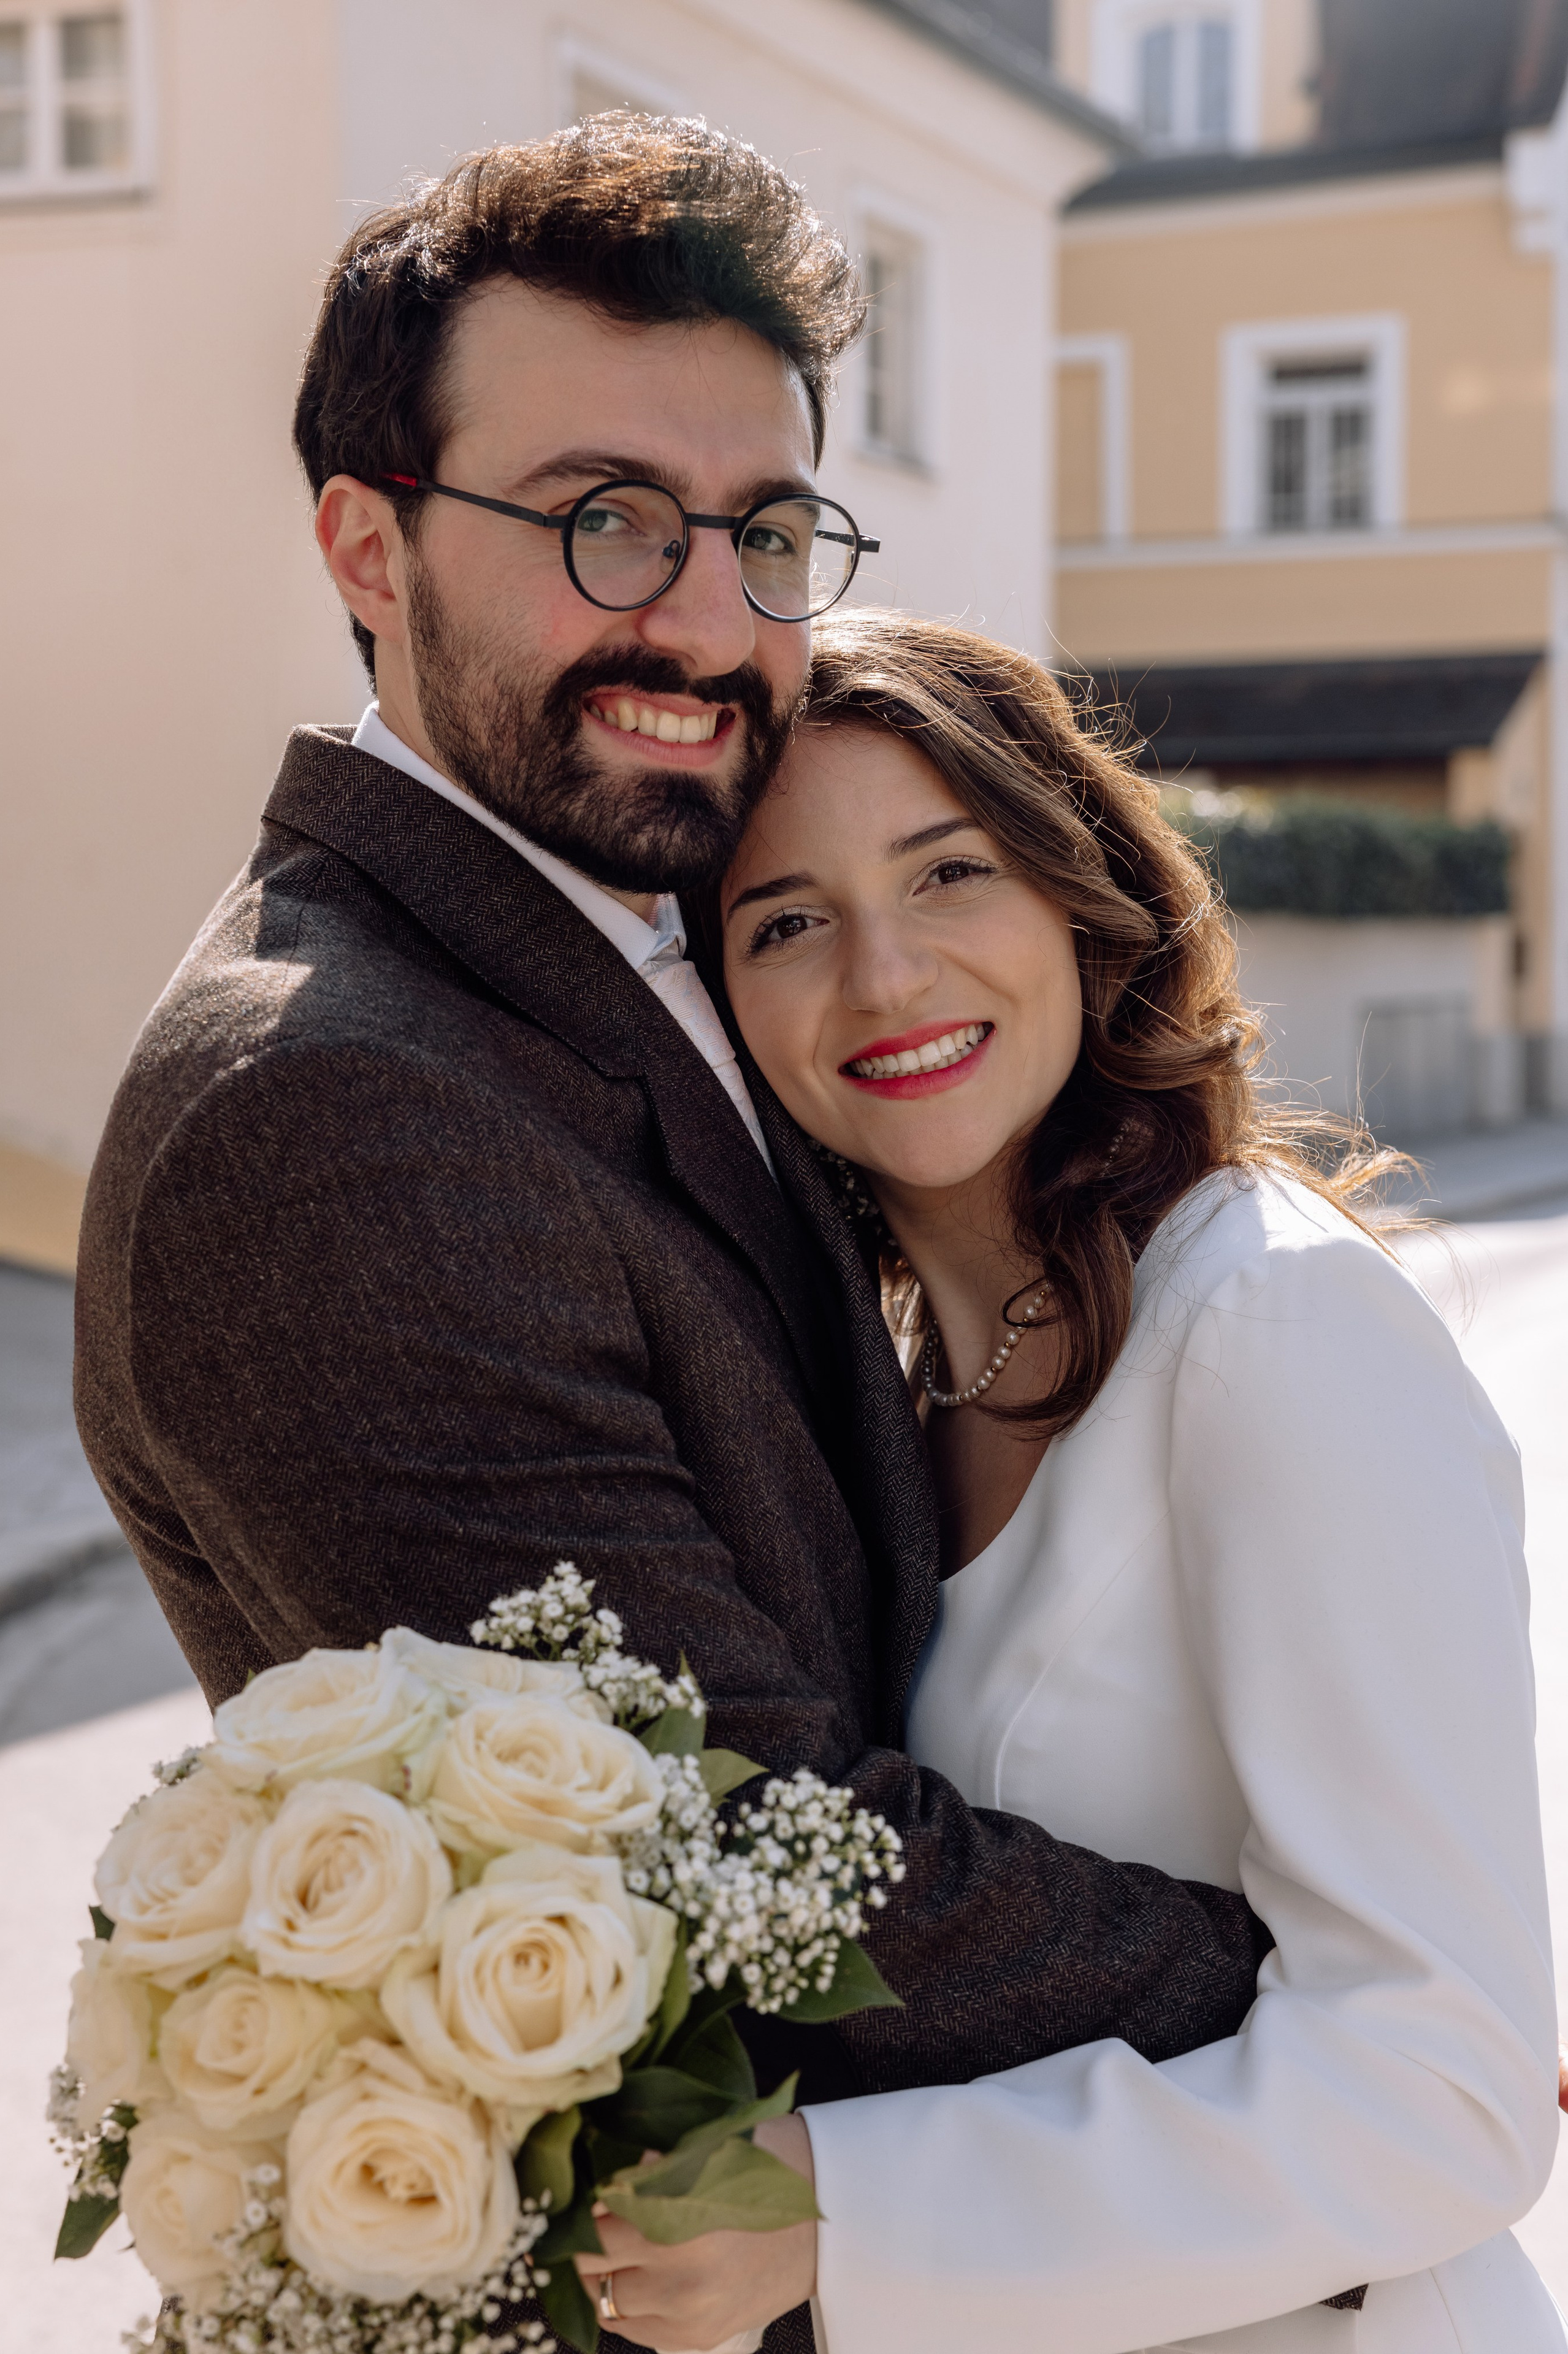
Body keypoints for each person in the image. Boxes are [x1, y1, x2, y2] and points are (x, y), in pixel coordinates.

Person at [72, 120, 1271, 2354]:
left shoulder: (665, 930)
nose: (711, 623)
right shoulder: (331, 1112)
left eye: (769, 533)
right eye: (605, 519)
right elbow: (751, 1854)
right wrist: (1338, 1999)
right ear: (367, 543)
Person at [575, 607, 1562, 2350]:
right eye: (787, 922)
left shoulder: (1270, 1322)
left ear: (1080, 896)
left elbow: (1451, 2090)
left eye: (949, 875)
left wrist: (840, 2211)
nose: (886, 977)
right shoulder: (895, 1396)